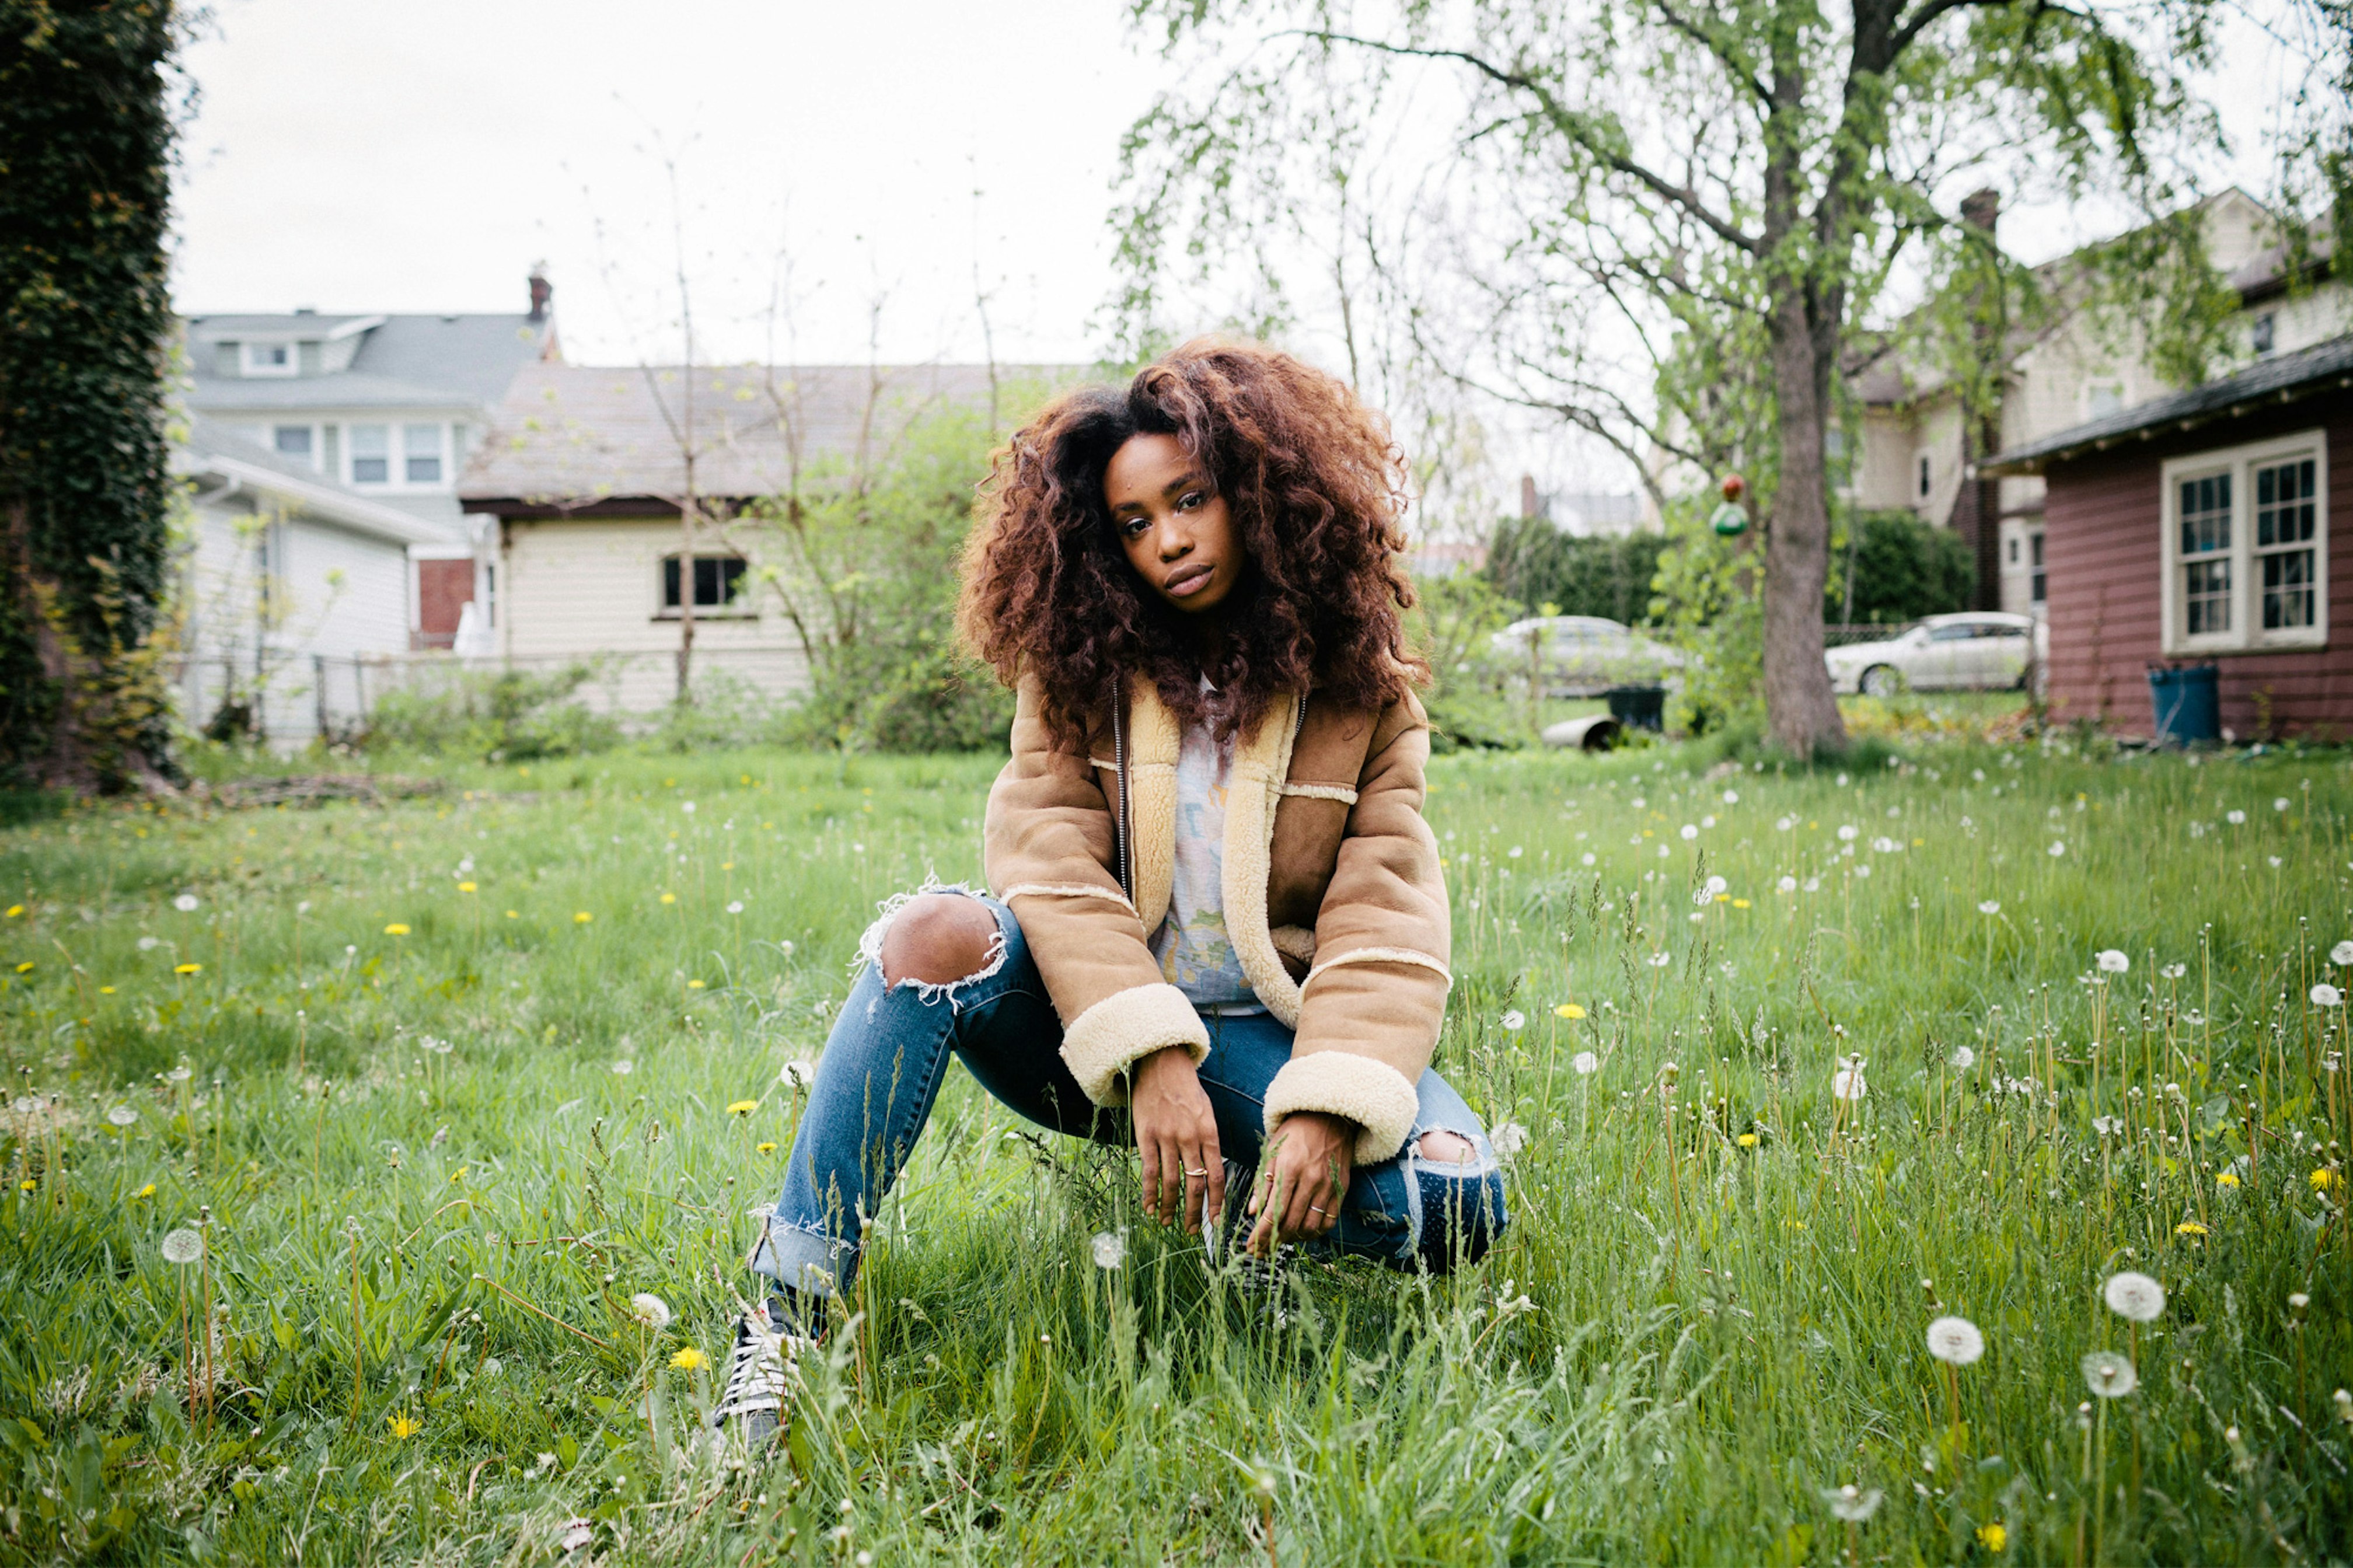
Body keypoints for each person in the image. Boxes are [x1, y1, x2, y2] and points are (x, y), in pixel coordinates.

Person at [706, 338, 1507, 1452]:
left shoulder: (1361, 688)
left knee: (1459, 1203)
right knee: (932, 932)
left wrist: (1327, 1104)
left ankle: (1251, 1220)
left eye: (1193, 500)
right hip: (1094, 1030)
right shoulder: (1079, 662)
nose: (1169, 539)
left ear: (1266, 498)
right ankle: (785, 1316)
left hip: (1273, 1036)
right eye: (1135, 522)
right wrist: (1149, 1052)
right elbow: (1045, 860)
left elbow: (1387, 914)